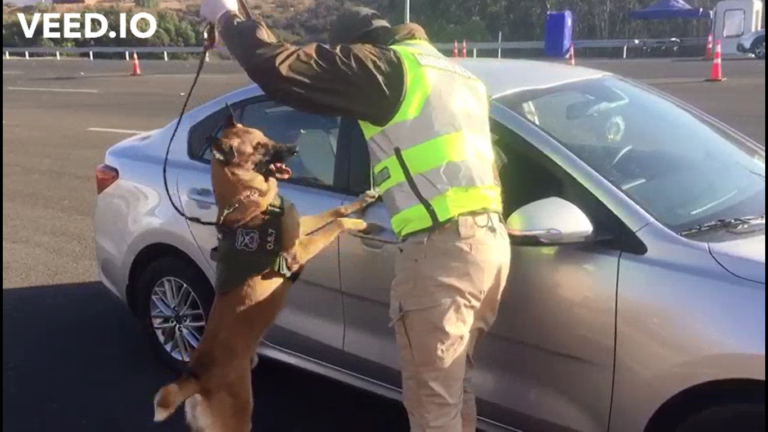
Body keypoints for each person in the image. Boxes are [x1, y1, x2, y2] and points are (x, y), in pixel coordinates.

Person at [199, 3, 512, 431]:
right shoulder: (459, 77)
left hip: (441, 253)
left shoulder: (384, 69)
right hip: (489, 246)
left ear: (355, 49)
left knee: (432, 408)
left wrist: (225, 17)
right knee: (455, 390)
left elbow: (277, 66)